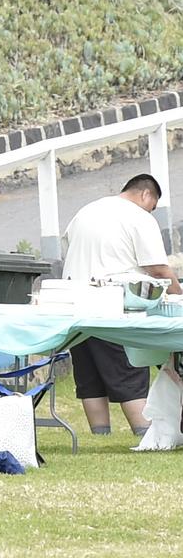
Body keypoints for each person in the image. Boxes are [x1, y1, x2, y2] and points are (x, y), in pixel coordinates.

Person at [62, 173, 182, 436]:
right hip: (112, 306)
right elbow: (158, 269)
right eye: (152, 206)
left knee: (89, 375)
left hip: (74, 304)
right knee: (129, 370)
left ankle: (99, 433)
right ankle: (144, 431)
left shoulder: (86, 211)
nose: (151, 211)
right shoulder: (138, 217)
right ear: (146, 195)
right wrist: (178, 295)